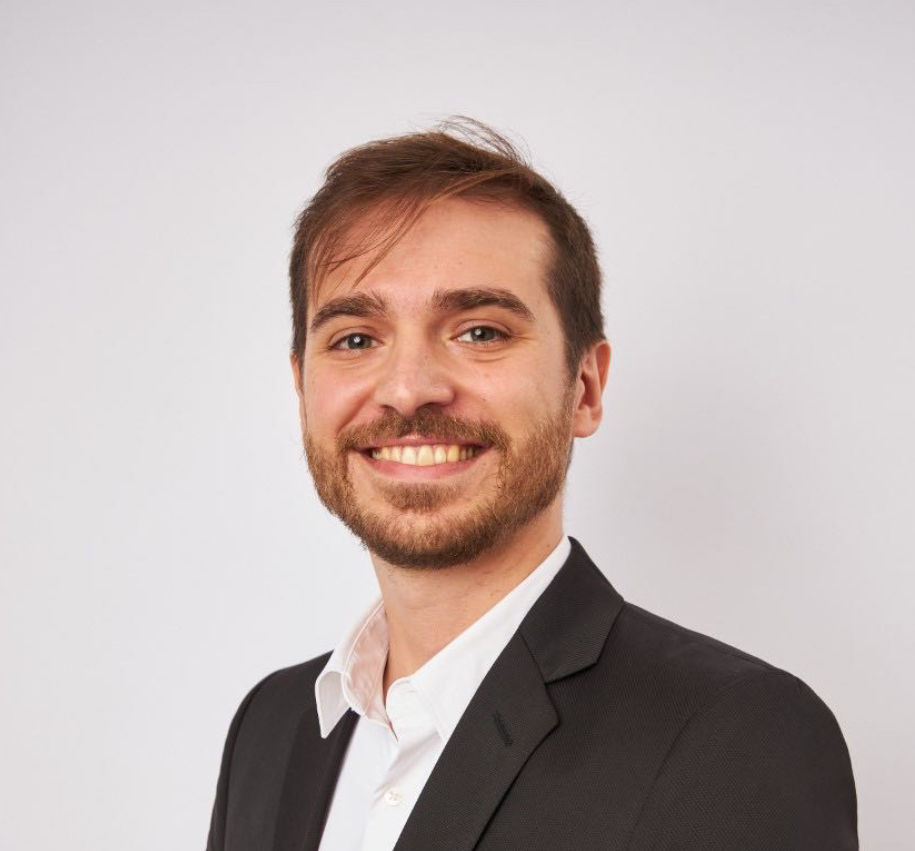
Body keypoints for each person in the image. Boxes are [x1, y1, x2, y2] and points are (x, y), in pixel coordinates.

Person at [205, 120, 858, 851]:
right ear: (302, 389)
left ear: (584, 386)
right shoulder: (271, 728)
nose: (408, 388)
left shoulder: (731, 736)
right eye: (355, 339)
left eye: (479, 331)